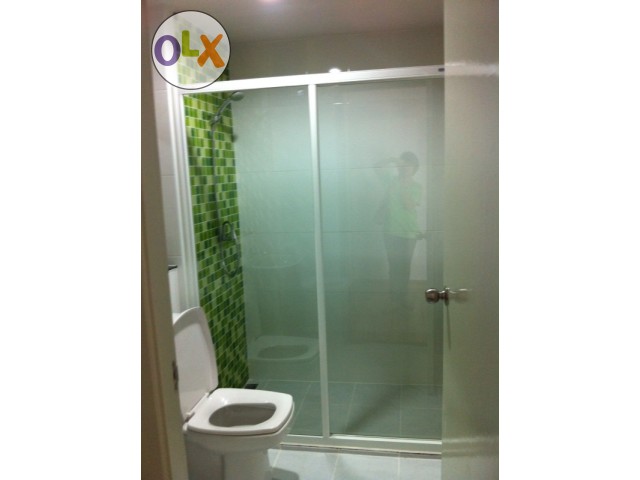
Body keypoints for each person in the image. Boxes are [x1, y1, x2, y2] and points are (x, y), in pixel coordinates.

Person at [375, 152, 424, 311]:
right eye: (403, 164)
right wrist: (391, 159)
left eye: (409, 165)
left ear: (415, 168)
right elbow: (376, 167)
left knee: (404, 267)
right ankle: (394, 298)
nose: (405, 167)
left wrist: (402, 182)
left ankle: (402, 298)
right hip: (390, 230)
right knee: (393, 266)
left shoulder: (417, 186)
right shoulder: (391, 180)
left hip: (409, 233)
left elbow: (408, 205)